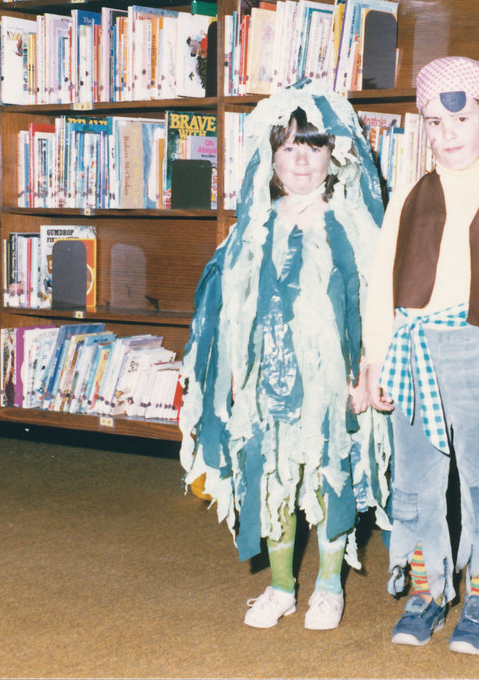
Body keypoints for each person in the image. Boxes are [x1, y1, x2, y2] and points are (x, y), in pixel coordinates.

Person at [178, 80, 392, 632]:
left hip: (332, 384)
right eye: (290, 146)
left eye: (314, 146)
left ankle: (327, 585)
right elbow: (229, 310)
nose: (301, 159)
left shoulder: (352, 227)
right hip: (264, 380)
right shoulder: (251, 230)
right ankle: (279, 585)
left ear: (334, 154)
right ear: (270, 154)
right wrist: (227, 377)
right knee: (272, 477)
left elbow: (374, 304)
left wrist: (367, 371)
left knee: (328, 477)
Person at [363, 56, 479, 654]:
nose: (447, 135)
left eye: (461, 119)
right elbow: (380, 287)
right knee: (414, 481)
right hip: (409, 350)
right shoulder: (407, 199)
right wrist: (374, 361)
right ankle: (426, 587)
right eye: (434, 124)